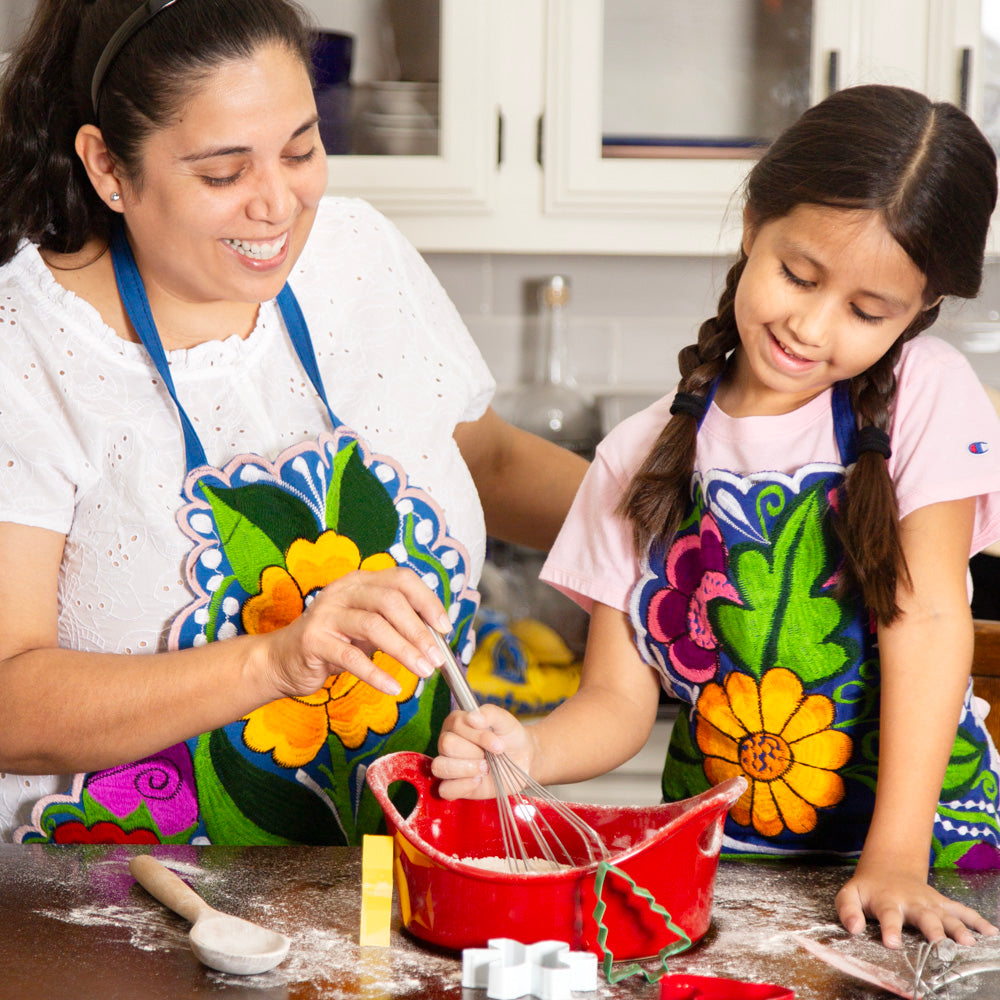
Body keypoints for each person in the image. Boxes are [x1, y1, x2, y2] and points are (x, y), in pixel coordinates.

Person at [0, 0, 587, 846]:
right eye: (223, 173)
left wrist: (676, 519)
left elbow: (488, 461)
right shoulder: (29, 346)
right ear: (107, 167)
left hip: (387, 877)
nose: (278, 204)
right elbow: (11, 698)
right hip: (121, 900)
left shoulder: (358, 254)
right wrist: (274, 660)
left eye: (302, 150)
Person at [433, 84, 1000, 949]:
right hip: (722, 869)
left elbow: (924, 621)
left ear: (919, 312)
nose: (811, 327)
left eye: (866, 312)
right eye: (798, 276)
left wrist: (894, 858)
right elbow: (616, 702)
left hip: (929, 860)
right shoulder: (638, 455)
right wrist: (526, 752)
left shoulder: (930, 394)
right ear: (753, 224)